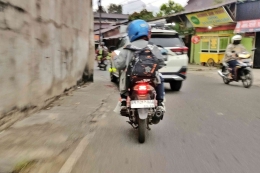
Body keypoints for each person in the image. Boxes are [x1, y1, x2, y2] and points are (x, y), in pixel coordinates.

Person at [111, 19, 166, 115]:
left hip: (132, 79)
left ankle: (123, 101)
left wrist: (114, 57)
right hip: (150, 79)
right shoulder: (153, 47)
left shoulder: (127, 48)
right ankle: (160, 103)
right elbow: (161, 63)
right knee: (160, 77)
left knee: (123, 74)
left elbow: (119, 65)